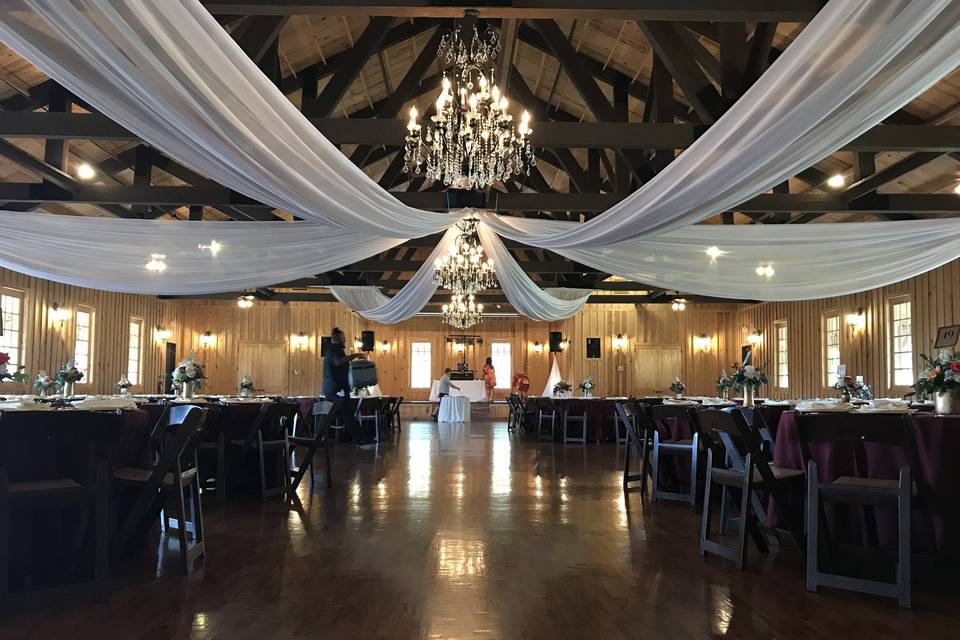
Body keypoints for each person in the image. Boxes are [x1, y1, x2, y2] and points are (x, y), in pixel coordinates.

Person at [322, 327, 370, 444]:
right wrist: (355, 355)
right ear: (337, 339)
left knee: (347, 414)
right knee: (348, 414)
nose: (345, 340)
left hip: (337, 389)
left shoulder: (335, 350)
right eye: (343, 338)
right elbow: (338, 362)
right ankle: (359, 438)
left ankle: (354, 438)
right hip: (335, 390)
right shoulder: (333, 350)